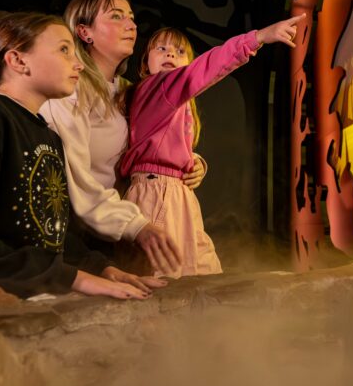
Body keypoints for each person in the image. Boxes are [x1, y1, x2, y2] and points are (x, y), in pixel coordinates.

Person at [119, 15, 304, 277]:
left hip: (178, 195)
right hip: (157, 196)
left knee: (205, 271)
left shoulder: (175, 103)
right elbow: (208, 66)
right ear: (145, 65)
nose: (170, 53)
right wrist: (258, 37)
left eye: (180, 51)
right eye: (161, 48)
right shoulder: (155, 87)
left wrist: (194, 162)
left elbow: (161, 145)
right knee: (165, 282)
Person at [0, 11, 165, 299]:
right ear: (18, 60)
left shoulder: (49, 136)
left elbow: (49, 229)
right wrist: (76, 279)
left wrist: (100, 268)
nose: (78, 64)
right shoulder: (2, 120)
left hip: (42, 296)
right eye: (64, 50)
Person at [40, 0, 203, 275]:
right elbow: (77, 182)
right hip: (80, 237)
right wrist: (136, 226)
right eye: (116, 16)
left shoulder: (131, 92)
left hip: (127, 231)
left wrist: (193, 163)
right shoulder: (70, 93)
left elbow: (156, 143)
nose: (131, 25)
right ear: (85, 32)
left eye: (131, 17)